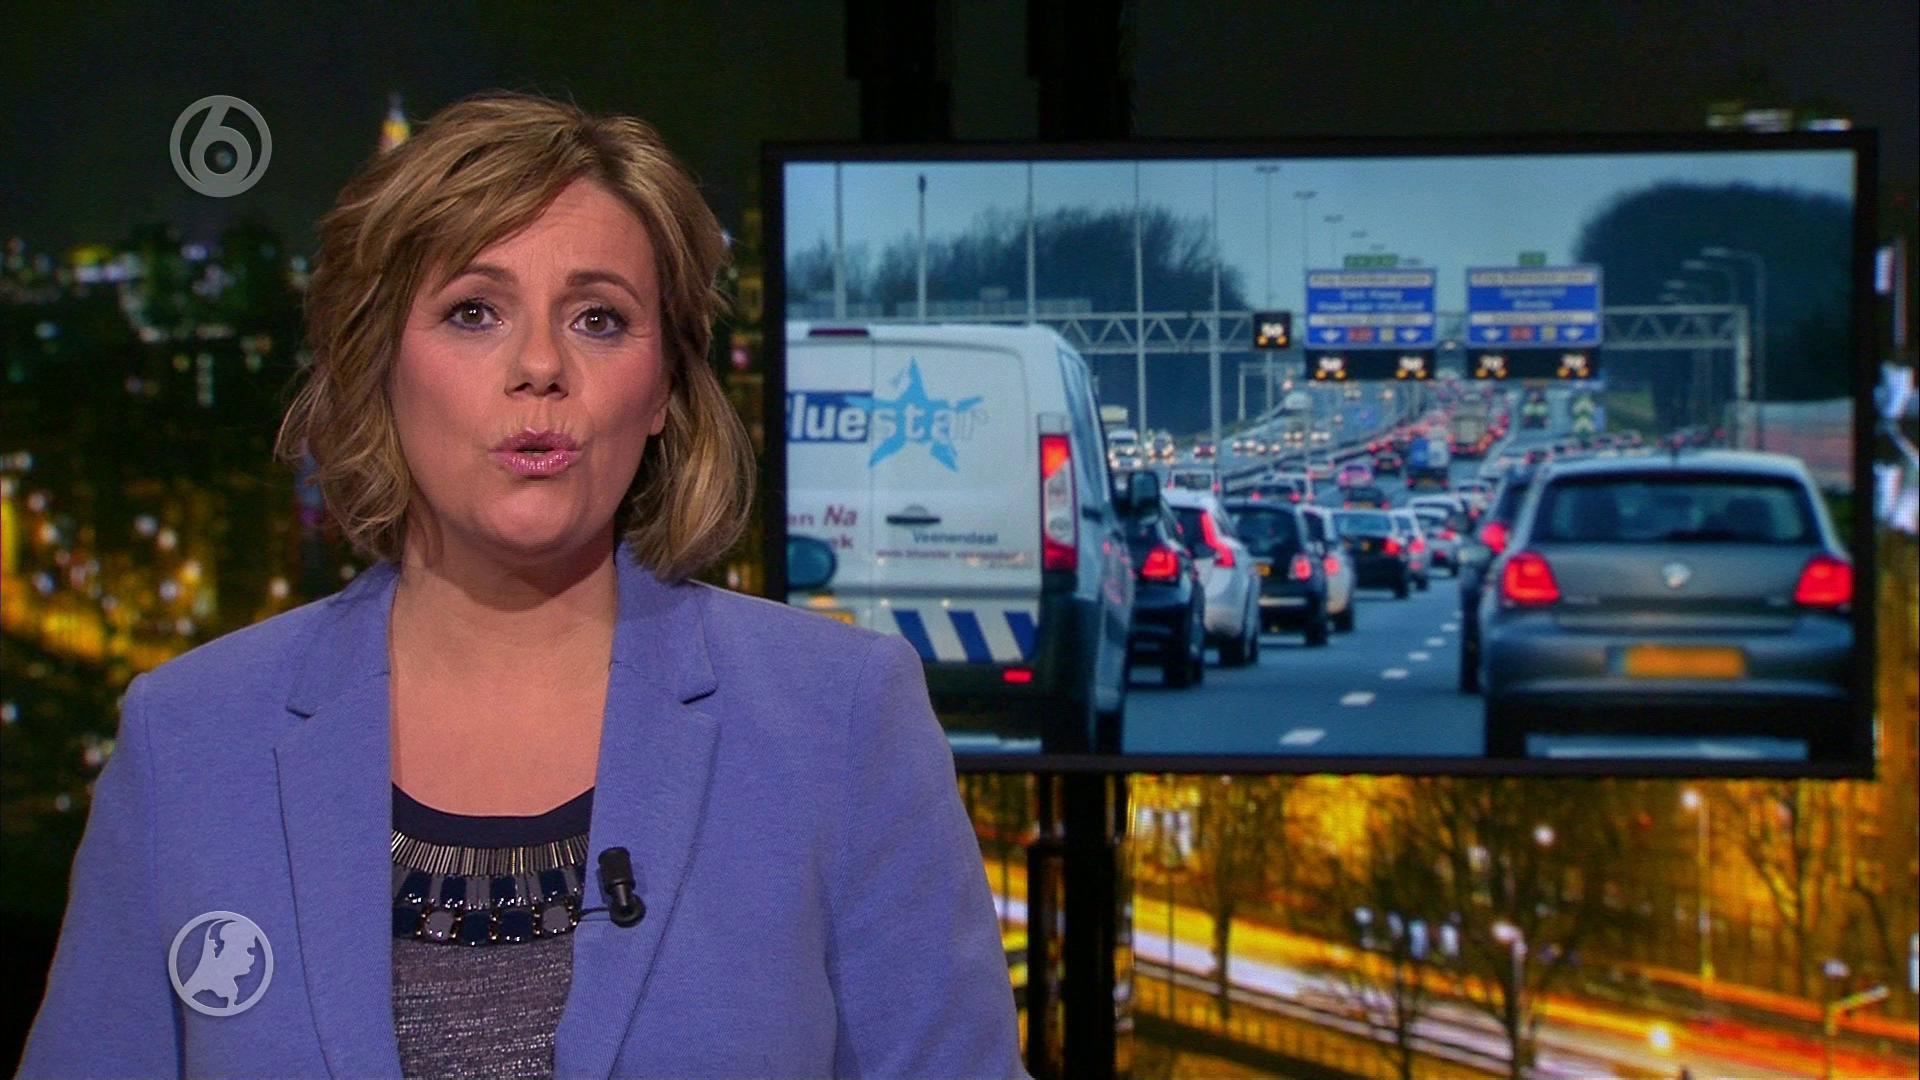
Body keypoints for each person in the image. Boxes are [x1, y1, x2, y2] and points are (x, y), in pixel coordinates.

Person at [18, 90, 1027, 1080]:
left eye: (598, 318)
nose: (540, 365)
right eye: (474, 312)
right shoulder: (188, 740)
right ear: (378, 363)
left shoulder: (840, 720)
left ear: (665, 387)